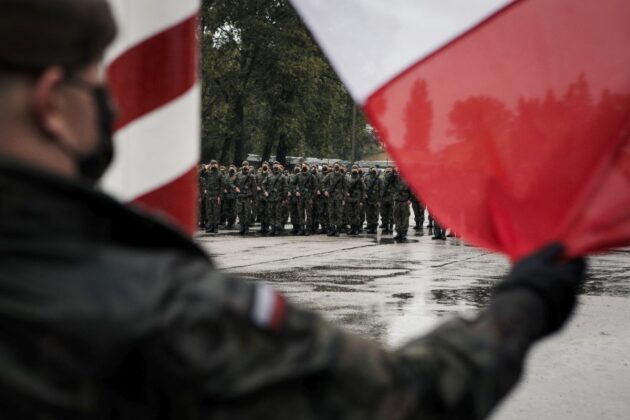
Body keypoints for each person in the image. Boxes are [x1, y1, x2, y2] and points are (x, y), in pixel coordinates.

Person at [0, 1, 587, 418]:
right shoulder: (154, 308)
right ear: (53, 103)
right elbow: (401, 399)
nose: (111, 104)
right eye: (96, 83)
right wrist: (523, 304)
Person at [235, 160, 257, 235]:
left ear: (248, 166)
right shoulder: (238, 174)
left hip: (247, 197)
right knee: (240, 213)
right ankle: (242, 227)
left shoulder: (251, 176)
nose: (245, 166)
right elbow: (230, 182)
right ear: (242, 166)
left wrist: (254, 199)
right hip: (240, 197)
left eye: (246, 165)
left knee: (247, 213)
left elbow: (254, 188)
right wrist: (235, 187)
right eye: (243, 165)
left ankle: (246, 227)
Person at [391, 166, 412, 241]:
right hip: (397, 201)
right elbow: (388, 179)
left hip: (404, 201)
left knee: (404, 218)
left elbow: (412, 190)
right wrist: (393, 171)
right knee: (397, 217)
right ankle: (398, 233)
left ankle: (403, 233)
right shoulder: (395, 178)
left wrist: (410, 199)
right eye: (398, 171)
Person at [204, 160, 223, 233]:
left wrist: (220, 196)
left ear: (217, 165)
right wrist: (205, 168)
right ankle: (210, 227)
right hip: (209, 195)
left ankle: (215, 227)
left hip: (216, 195)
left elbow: (222, 186)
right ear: (210, 165)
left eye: (215, 164)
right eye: (212, 164)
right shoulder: (208, 173)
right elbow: (199, 175)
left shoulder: (220, 174)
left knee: (216, 212)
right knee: (209, 212)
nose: (214, 165)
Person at [364, 166, 383, 234]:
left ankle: (374, 228)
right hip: (368, 199)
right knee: (369, 214)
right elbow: (364, 187)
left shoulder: (379, 179)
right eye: (372, 170)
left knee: (375, 214)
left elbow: (381, 190)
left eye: (375, 170)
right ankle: (370, 227)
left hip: (376, 200)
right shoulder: (367, 178)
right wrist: (365, 194)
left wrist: (379, 200)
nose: (373, 171)